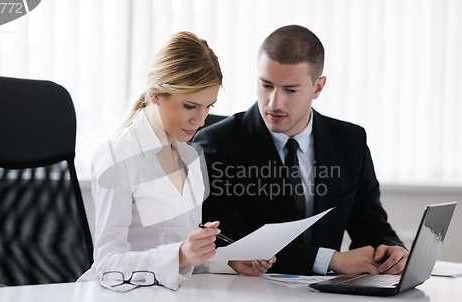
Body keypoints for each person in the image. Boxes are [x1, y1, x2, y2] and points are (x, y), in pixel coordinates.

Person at [193, 25, 408, 276]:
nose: (274, 103)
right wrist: (330, 260)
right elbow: (231, 242)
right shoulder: (217, 143)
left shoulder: (350, 141)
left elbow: (372, 227)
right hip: (252, 296)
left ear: (318, 87)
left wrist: (392, 250)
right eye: (266, 85)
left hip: (327, 301)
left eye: (290, 90)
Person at [78, 31, 275, 286]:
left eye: (209, 107)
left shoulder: (190, 157)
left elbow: (181, 257)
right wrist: (180, 255)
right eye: (190, 106)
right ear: (155, 95)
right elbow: (107, 264)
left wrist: (230, 262)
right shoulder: (118, 156)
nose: (201, 120)